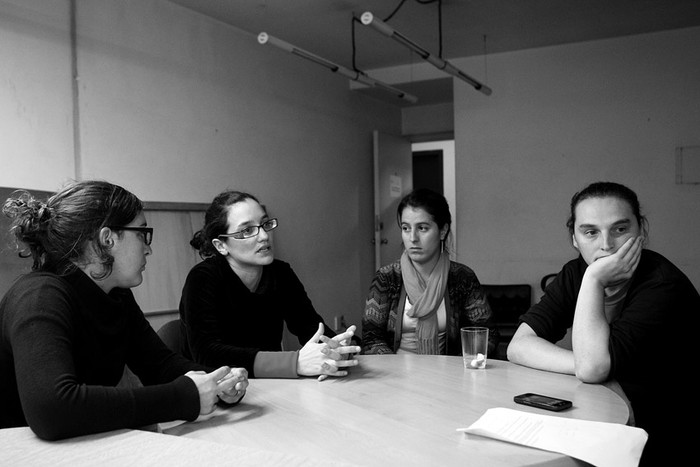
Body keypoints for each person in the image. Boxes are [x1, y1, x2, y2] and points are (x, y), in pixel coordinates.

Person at [0, 181, 248, 441]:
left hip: (78, 443)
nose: (148, 248)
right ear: (107, 239)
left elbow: (159, 364)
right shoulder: (40, 297)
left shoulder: (116, 294)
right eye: (142, 233)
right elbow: (51, 410)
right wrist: (185, 397)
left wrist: (217, 381)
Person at [507, 181, 699, 465]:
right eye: (590, 232)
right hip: (616, 417)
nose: (606, 245)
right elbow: (519, 346)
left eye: (620, 230)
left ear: (642, 231)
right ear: (574, 238)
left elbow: (594, 368)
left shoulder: (661, 284)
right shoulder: (576, 273)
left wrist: (595, 279)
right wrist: (582, 363)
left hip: (669, 432)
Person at [179, 190, 359, 379]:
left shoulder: (280, 273)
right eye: (247, 230)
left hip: (270, 383)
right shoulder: (202, 278)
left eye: (265, 224)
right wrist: (294, 363)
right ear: (221, 245)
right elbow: (207, 354)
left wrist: (336, 349)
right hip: (217, 389)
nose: (264, 236)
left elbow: (311, 328)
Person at [362, 188, 497, 355]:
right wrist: (394, 370)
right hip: (395, 375)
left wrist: (462, 367)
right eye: (406, 228)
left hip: (448, 376)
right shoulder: (386, 278)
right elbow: (371, 338)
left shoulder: (462, 278)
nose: (412, 238)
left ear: (442, 231)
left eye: (422, 228)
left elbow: (486, 335)